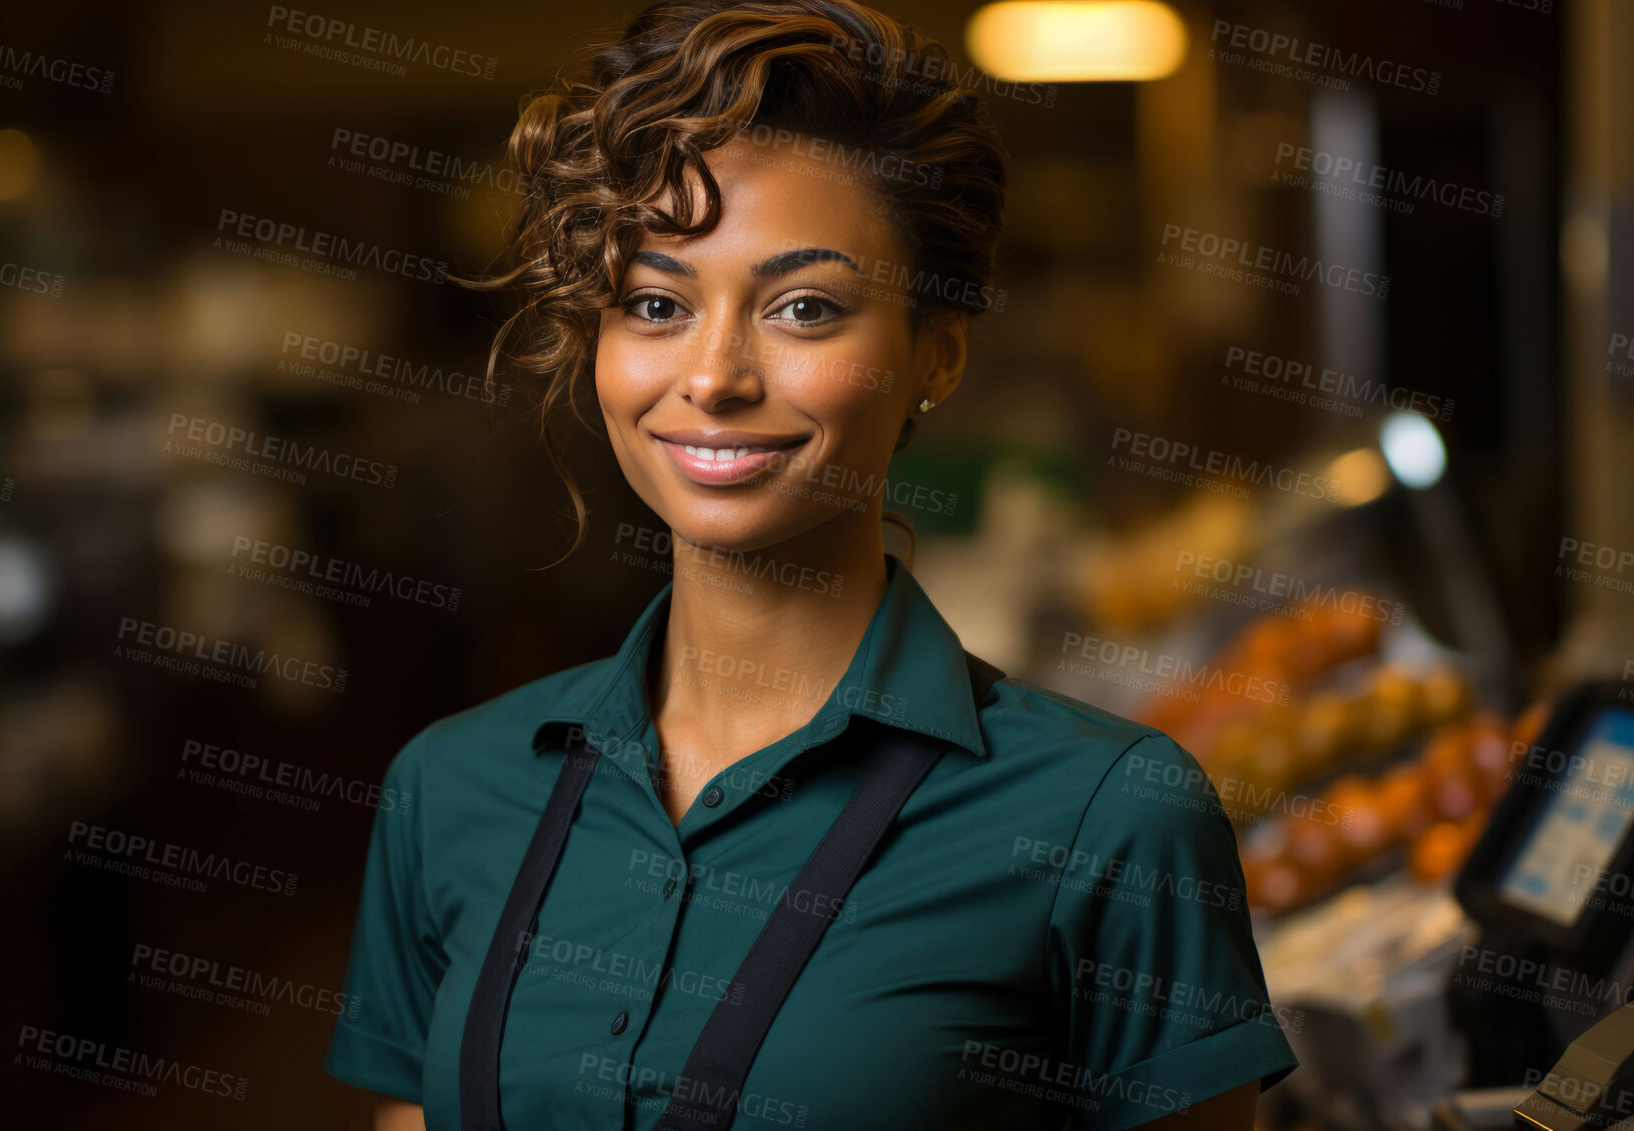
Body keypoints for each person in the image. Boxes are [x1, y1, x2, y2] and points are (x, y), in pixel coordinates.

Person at [324, 1, 1299, 1128]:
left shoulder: (1113, 816)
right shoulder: (448, 787)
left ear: (935, 354)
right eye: (654, 304)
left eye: (804, 307)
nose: (715, 375)